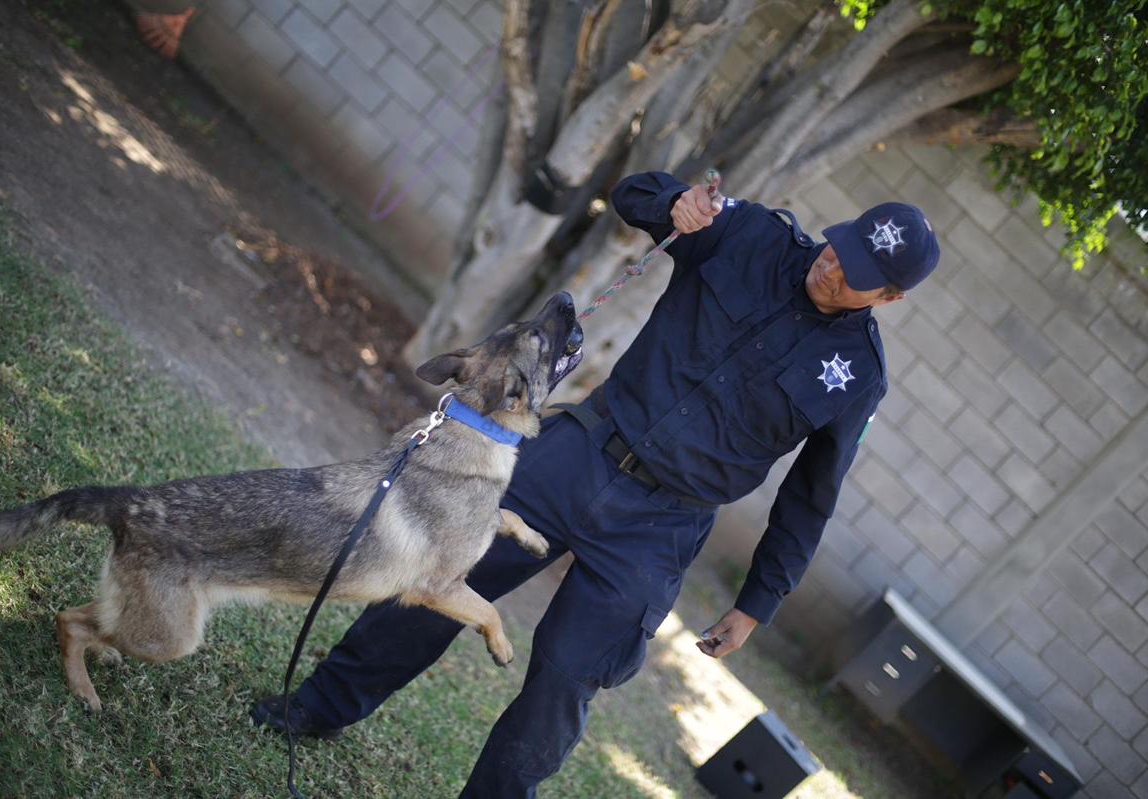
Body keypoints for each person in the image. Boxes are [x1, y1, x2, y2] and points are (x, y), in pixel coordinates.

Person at [251, 171, 940, 797]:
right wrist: (674, 203)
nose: (831, 263)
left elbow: (810, 498)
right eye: (837, 246)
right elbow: (633, 193)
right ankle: (320, 704)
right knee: (440, 581)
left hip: (663, 523)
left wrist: (758, 601)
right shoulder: (754, 234)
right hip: (579, 449)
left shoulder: (858, 374)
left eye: (854, 272)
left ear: (891, 296)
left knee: (567, 674)